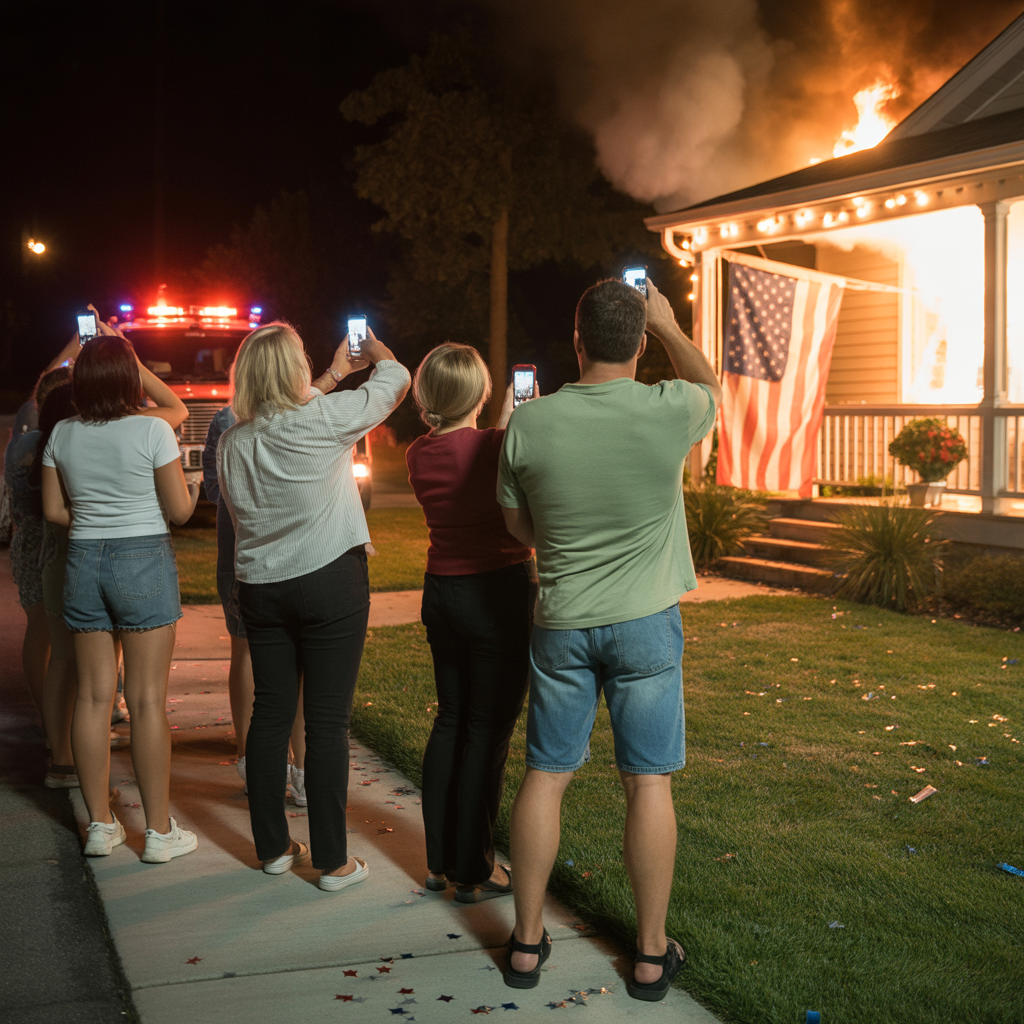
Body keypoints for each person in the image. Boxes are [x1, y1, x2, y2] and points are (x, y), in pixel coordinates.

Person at [497, 279, 722, 1000]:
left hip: (562, 622)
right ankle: (651, 956)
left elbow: (516, 526)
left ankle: (527, 945)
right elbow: (710, 383)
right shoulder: (671, 408)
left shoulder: (529, 424)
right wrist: (670, 326)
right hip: (645, 622)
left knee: (547, 773)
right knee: (646, 780)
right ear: (639, 340)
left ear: (576, 339)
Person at [217, 322, 409, 890]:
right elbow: (395, 382)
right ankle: (331, 861)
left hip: (261, 588)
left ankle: (274, 849)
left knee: (271, 713)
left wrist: (331, 375)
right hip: (329, 582)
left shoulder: (232, 442)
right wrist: (373, 353)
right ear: (294, 371)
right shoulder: (323, 421)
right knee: (326, 721)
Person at [42, 331, 201, 863]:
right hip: (143, 558)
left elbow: (54, 513)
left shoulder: (61, 433)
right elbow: (179, 512)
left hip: (83, 560)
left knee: (92, 698)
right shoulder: (151, 430)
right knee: (148, 699)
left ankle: (100, 827)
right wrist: (132, 360)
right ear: (132, 378)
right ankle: (158, 833)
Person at [406, 344, 537, 903]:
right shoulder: (496, 445)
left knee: (451, 721)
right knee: (489, 730)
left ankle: (440, 862)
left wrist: (504, 421)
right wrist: (514, 414)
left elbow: (475, 449)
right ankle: (473, 870)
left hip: (441, 592)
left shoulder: (417, 453)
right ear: (481, 392)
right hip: (496, 592)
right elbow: (499, 460)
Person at [202, 406, 307, 801]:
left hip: (240, 549)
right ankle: (303, 769)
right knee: (302, 661)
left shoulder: (227, 422)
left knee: (245, 649)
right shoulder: (306, 411)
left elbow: (214, 491)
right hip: (298, 550)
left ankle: (253, 761)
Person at [4, 366, 73, 723]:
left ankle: (49, 720)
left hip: (26, 540)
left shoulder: (20, 444)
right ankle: (71, 721)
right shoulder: (64, 442)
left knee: (38, 631)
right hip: (57, 542)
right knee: (67, 642)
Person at [30, 382, 81, 786]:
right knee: (89, 674)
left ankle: (58, 753)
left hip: (50, 563)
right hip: (73, 561)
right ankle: (67, 758)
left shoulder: (36, 449)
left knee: (61, 661)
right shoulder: (69, 448)